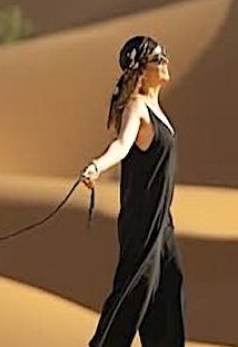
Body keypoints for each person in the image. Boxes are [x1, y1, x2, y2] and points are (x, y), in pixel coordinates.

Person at [81, 35, 185, 346]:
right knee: (133, 292)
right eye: (158, 58)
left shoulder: (157, 109)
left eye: (165, 55)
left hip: (162, 222)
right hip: (143, 220)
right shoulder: (137, 107)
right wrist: (98, 165)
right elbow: (122, 144)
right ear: (142, 70)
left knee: (168, 294)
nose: (165, 62)